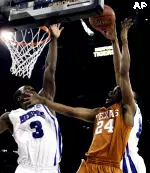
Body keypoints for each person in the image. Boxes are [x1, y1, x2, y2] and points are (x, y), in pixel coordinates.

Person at [24, 19, 136, 173]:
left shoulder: (126, 111)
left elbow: (122, 73)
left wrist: (122, 41)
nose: (111, 91)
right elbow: (71, 111)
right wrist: (43, 100)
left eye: (116, 91)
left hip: (110, 166)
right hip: (89, 164)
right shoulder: (99, 113)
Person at [0, 24, 64, 173]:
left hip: (50, 169)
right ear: (19, 99)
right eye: (26, 90)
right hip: (25, 168)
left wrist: (54, 40)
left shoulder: (45, 103)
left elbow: (50, 68)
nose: (32, 91)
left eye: (33, 89)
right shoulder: (11, 116)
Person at [100, 18, 146, 173]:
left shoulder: (130, 106)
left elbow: (123, 73)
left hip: (127, 162)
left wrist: (124, 40)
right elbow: (119, 73)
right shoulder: (124, 108)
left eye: (120, 90)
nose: (117, 89)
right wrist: (114, 42)